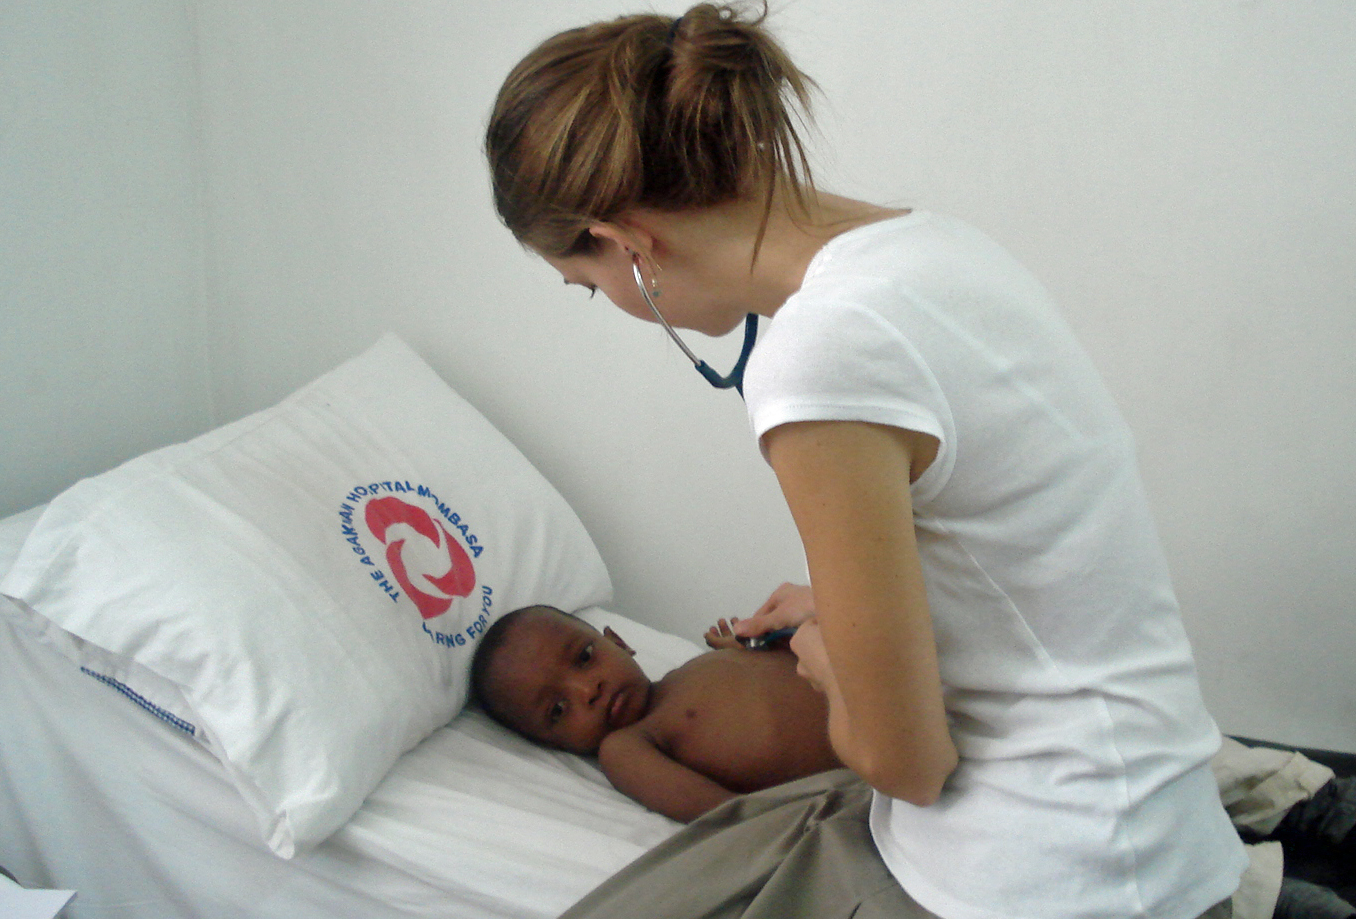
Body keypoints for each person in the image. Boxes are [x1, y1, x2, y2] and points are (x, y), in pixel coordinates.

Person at [484, 3, 1252, 917]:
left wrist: (823, 652)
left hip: (1058, 871)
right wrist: (837, 606)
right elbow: (1015, 550)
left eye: (588, 285)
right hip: (1150, 819)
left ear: (627, 243)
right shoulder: (929, 247)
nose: (607, 301)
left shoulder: (817, 358)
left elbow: (906, 765)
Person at [468, 604, 843, 822]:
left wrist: (752, 643)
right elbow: (723, 814)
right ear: (554, 744)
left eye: (584, 658)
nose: (588, 691)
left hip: (874, 698)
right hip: (853, 771)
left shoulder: (694, 668)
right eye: (558, 709)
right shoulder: (625, 746)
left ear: (619, 642)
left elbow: (800, 659)